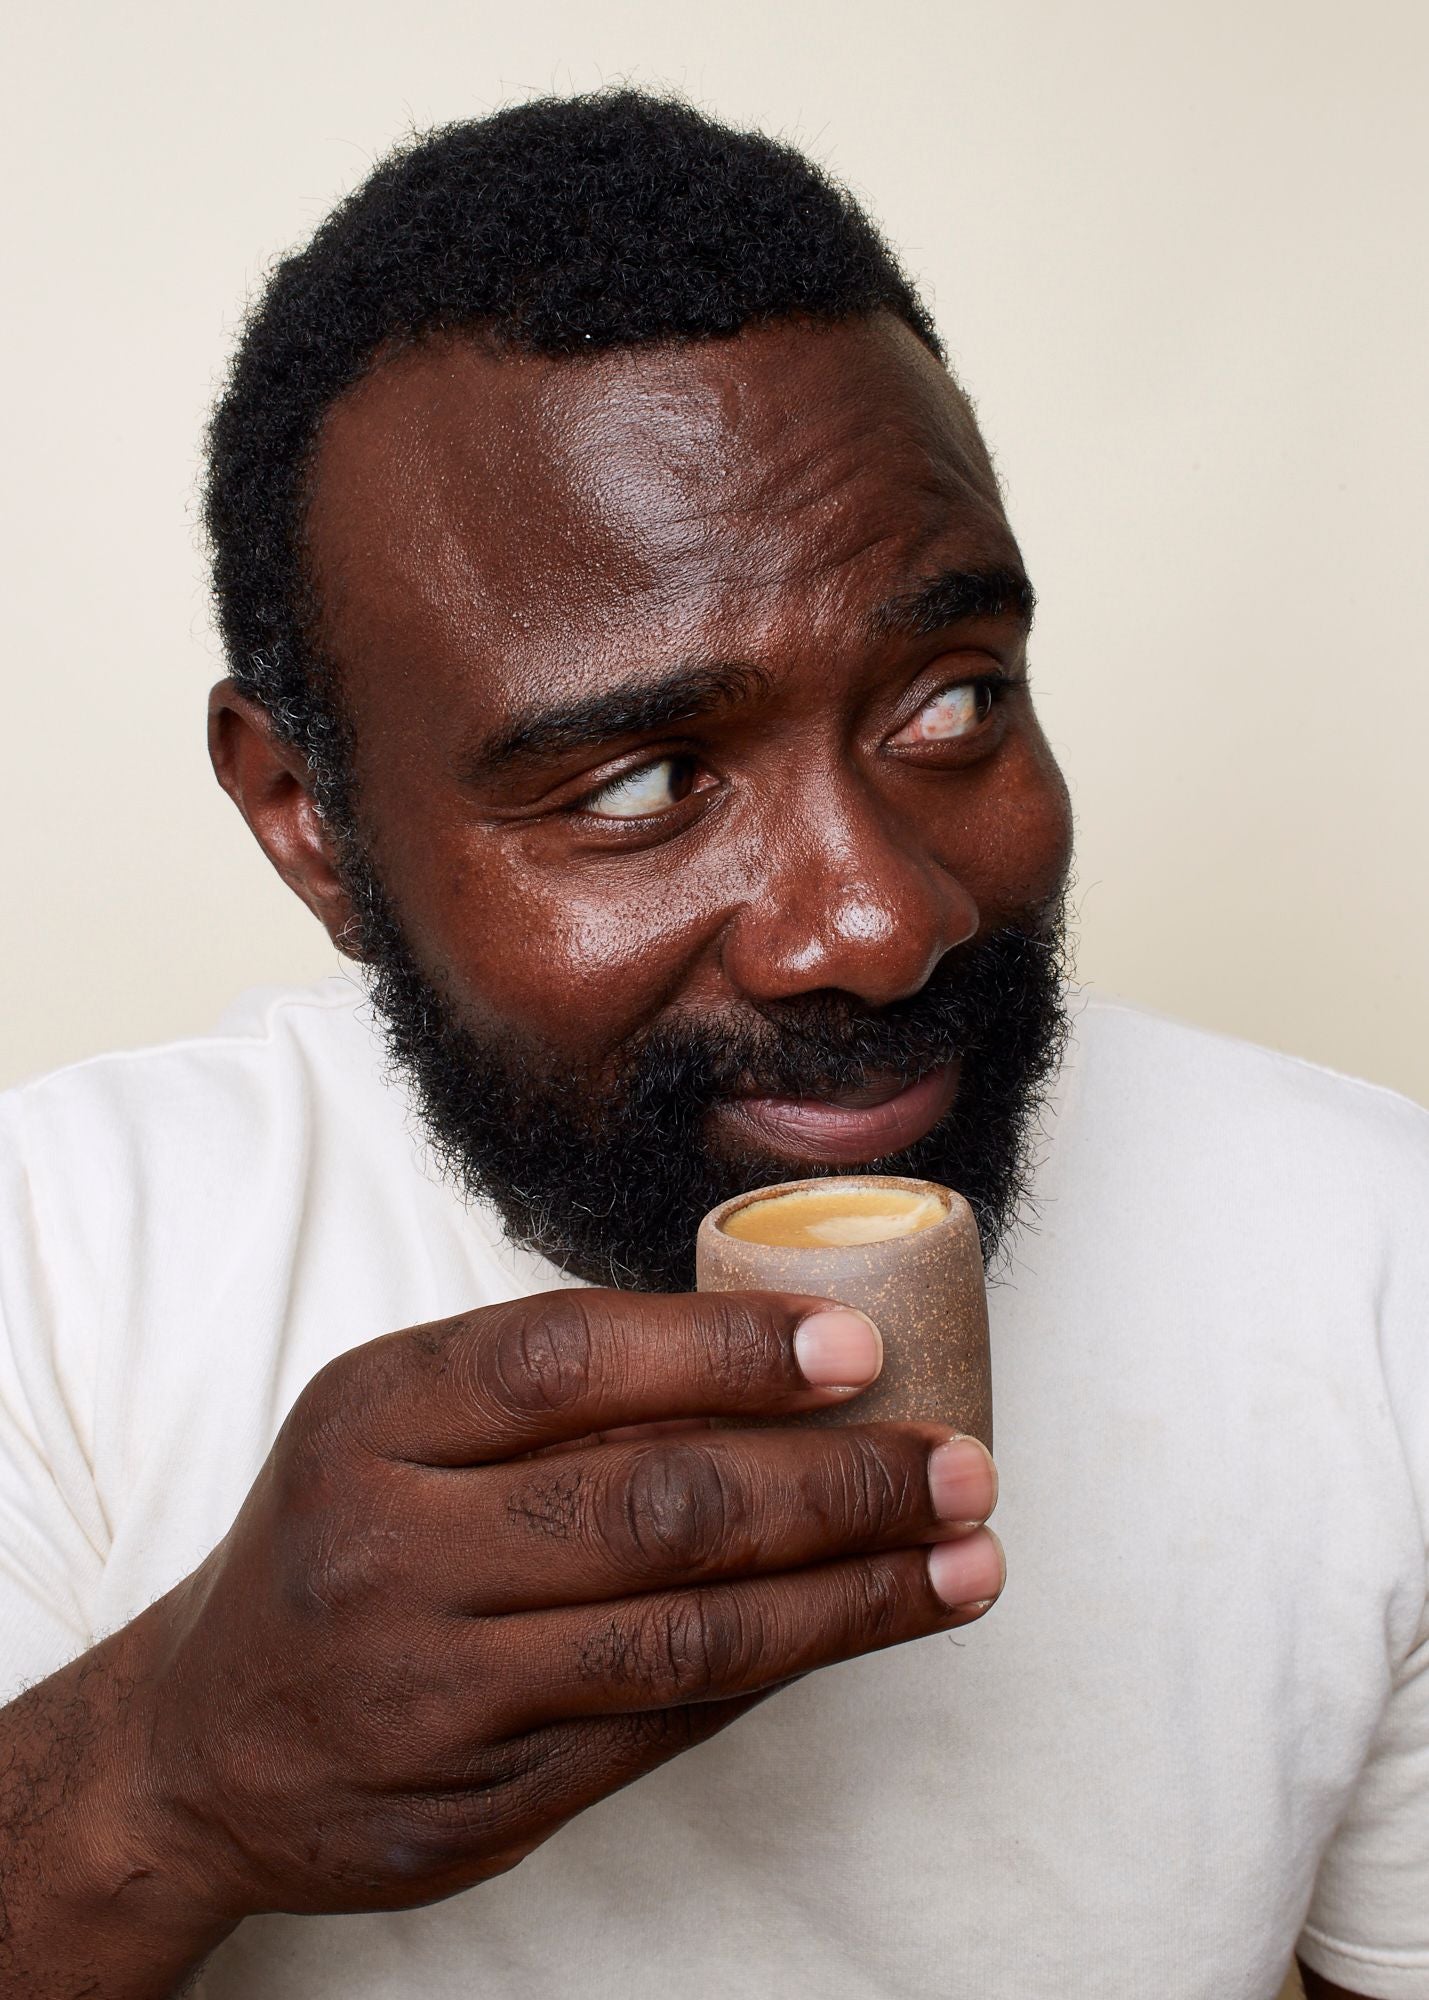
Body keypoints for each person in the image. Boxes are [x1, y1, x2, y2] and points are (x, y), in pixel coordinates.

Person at [0, 89, 1423, 2000]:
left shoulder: (1377, 1257)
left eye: (949, 698)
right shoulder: (58, 1271)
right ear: (307, 819)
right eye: (645, 780)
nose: (878, 919)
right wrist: (156, 1787)